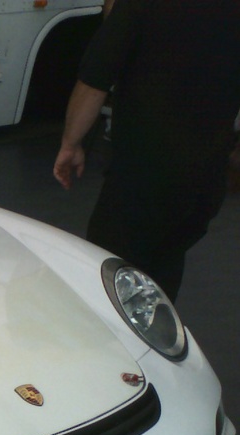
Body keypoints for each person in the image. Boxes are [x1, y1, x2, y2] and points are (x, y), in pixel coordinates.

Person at [53, 0, 240, 301]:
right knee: (167, 261)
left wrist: (70, 144)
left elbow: (95, 79)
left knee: (108, 272)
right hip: (205, 179)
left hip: (144, 174)